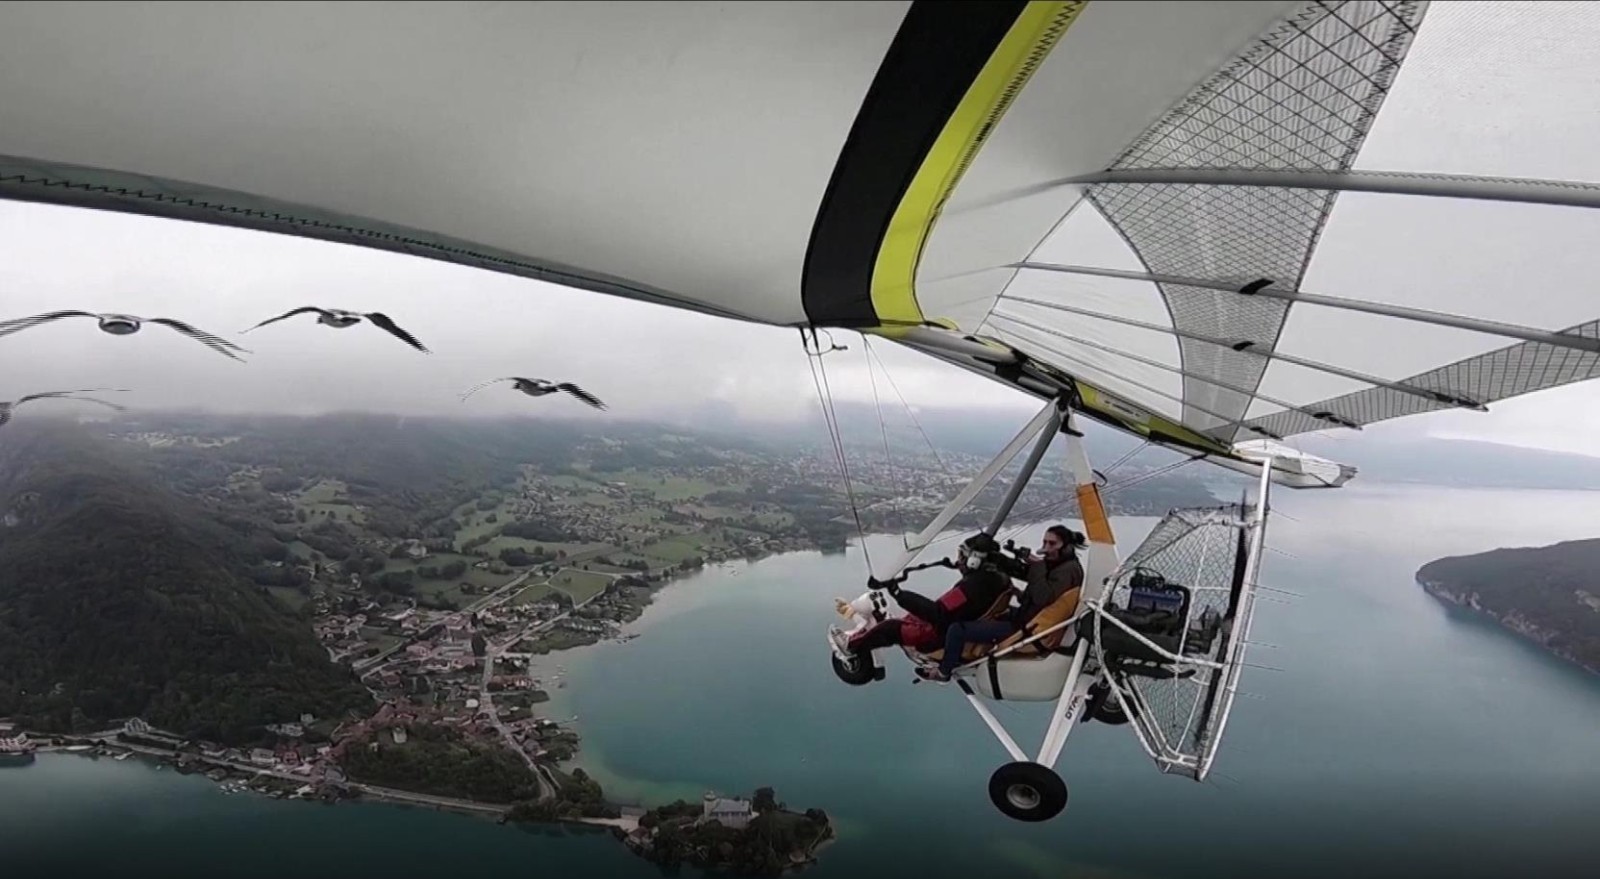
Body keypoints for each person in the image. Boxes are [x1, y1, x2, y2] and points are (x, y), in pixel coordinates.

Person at [918, 524, 1086, 682]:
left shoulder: (1067, 571)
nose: (1046, 548)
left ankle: (943, 672)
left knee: (957, 629)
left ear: (1066, 546)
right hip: (1028, 619)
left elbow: (1043, 596)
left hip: (1025, 628)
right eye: (1045, 542)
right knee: (987, 615)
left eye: (1052, 544)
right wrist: (1001, 562)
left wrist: (1038, 565)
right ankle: (958, 654)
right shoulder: (1063, 565)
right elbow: (1039, 590)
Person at [837, 538, 1011, 665]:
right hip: (961, 621)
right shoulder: (997, 579)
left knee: (889, 629)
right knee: (909, 616)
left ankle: (851, 646)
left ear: (974, 561)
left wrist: (898, 593)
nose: (959, 560)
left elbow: (938, 612)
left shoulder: (970, 588)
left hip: (939, 632)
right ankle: (872, 630)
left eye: (963, 556)